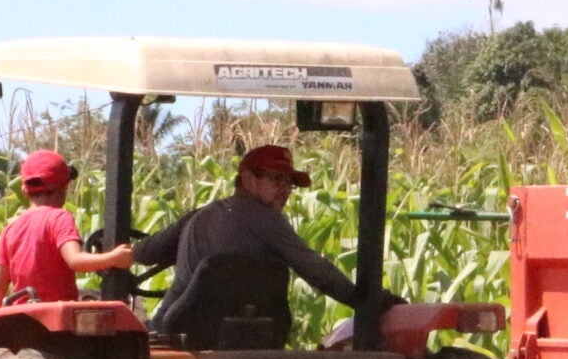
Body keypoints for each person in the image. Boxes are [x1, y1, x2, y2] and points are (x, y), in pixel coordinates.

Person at [135, 143, 383, 345]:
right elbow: (317, 271)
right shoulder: (267, 219)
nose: (285, 190)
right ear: (248, 179)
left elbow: (144, 253)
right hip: (239, 337)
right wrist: (372, 301)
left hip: (174, 331)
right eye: (277, 180)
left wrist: (118, 255)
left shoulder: (197, 216)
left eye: (289, 183)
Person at [0, 150, 134, 309]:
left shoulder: (10, 229)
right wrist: (114, 258)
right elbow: (75, 260)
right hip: (57, 316)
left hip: (23, 316)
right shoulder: (58, 218)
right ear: (64, 188)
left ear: (24, 190)